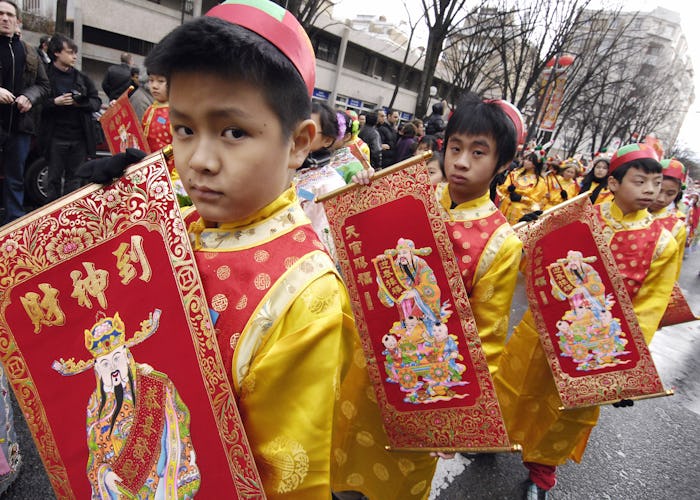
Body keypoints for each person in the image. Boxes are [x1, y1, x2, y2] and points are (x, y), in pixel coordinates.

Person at [139, 2, 436, 497]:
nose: (200, 161)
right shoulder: (178, 225)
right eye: (185, 129)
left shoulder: (306, 296)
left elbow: (290, 477)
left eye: (233, 132)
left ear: (299, 143)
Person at [493, 142, 677, 499]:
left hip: (596, 344)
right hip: (543, 325)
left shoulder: (662, 243)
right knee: (515, 385)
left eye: (655, 184)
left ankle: (543, 471)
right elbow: (525, 254)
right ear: (613, 183)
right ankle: (494, 438)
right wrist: (528, 232)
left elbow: (650, 307)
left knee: (566, 410)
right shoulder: (576, 215)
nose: (650, 192)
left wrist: (625, 366)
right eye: (640, 182)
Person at [51, 311, 201, 498]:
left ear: (127, 356)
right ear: (97, 369)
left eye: (117, 359)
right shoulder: (95, 405)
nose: (113, 369)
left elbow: (178, 422)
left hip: (162, 480)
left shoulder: (152, 382)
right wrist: (105, 476)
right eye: (105, 364)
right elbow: (95, 452)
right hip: (123, 489)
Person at [0, 0, 50, 225]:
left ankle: (14, 227)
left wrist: (29, 96)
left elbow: (44, 85)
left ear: (18, 21)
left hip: (19, 127)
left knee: (15, 179)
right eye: (0, 14)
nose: (5, 18)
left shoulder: (29, 51)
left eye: (10, 15)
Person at [40, 33, 101, 202]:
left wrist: (80, 103)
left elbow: (96, 102)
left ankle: (68, 216)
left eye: (75, 52)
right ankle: (49, 217)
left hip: (79, 138)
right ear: (57, 53)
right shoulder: (45, 75)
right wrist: (55, 102)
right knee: (51, 179)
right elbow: (37, 104)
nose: (74, 56)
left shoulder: (81, 78)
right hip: (54, 137)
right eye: (70, 52)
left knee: (75, 180)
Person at [648, 158, 687, 276]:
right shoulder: (627, 208)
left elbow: (672, 271)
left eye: (670, 194)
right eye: (658, 190)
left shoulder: (677, 227)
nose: (661, 199)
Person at [497, 145, 548, 224]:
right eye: (525, 159)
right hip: (505, 207)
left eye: (529, 160)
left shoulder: (540, 182)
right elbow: (501, 189)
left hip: (521, 213)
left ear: (536, 163)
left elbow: (537, 202)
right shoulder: (515, 173)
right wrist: (508, 189)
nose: (525, 162)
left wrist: (521, 198)